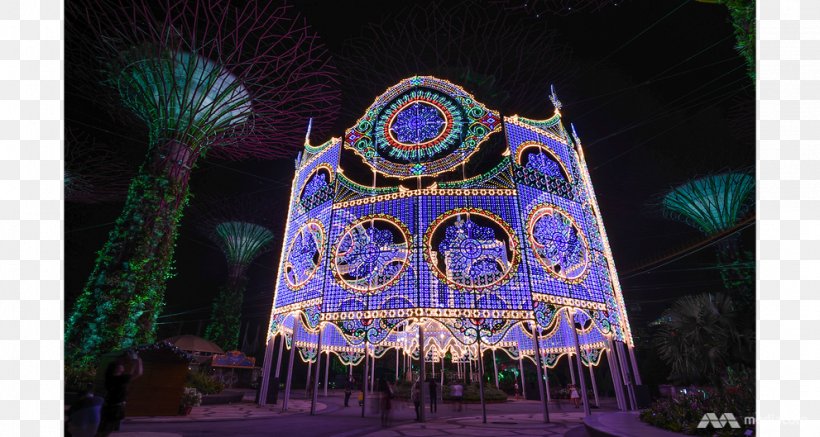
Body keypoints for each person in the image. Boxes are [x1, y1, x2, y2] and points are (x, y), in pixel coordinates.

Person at [97, 351, 142, 437]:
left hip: (109, 406)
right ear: (117, 369)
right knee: (106, 430)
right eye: (120, 366)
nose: (122, 366)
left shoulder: (110, 378)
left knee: (103, 428)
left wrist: (130, 360)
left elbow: (130, 374)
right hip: (115, 408)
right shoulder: (121, 379)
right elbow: (138, 373)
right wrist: (138, 360)